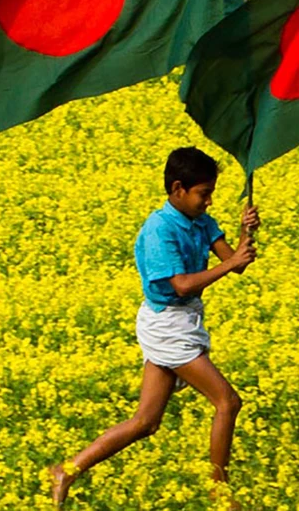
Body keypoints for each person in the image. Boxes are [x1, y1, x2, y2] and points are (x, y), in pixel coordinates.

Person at [48, 147, 260, 507]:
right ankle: (220, 493)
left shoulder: (201, 222)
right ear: (178, 188)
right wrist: (232, 262)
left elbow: (234, 263)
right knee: (227, 402)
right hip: (167, 324)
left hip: (186, 319)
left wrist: (244, 234)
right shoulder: (159, 230)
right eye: (203, 193)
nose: (209, 201)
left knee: (146, 422)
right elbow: (181, 284)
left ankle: (67, 469)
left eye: (211, 193)